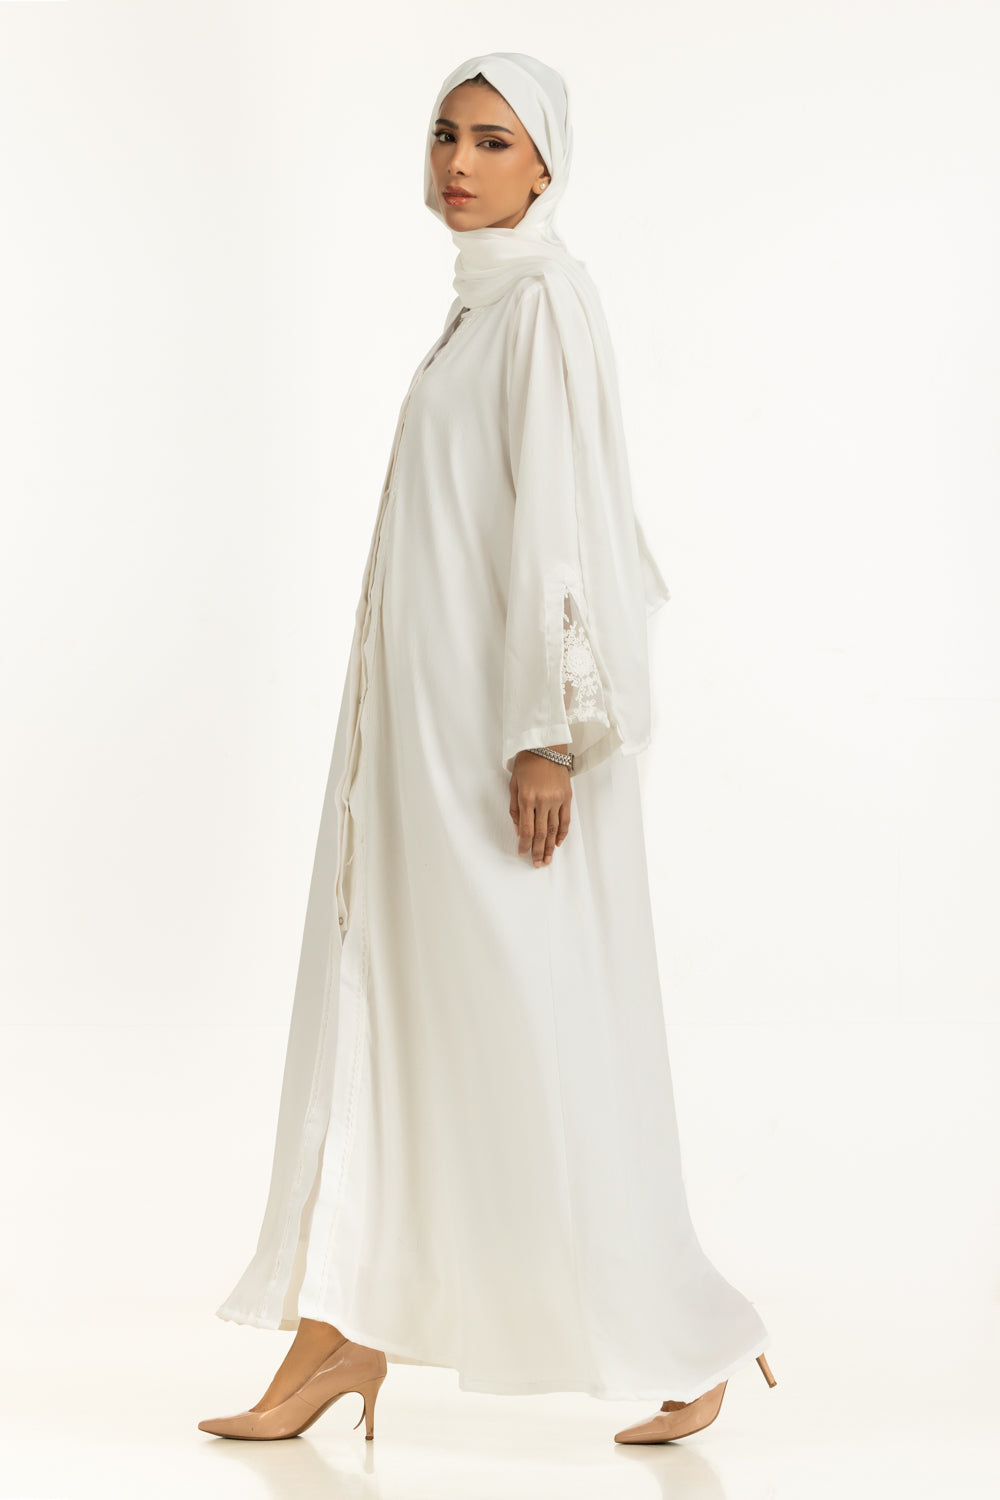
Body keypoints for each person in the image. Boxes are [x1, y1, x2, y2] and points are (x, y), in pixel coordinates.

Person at [197, 50, 776, 1446]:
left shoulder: (545, 305)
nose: (459, 163)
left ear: (547, 166)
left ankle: (689, 1335)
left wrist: (546, 736)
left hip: (498, 757)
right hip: (418, 747)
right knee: (397, 1016)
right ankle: (341, 1330)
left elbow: (559, 523)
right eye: (446, 136)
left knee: (536, 1030)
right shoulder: (477, 309)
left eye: (494, 142)